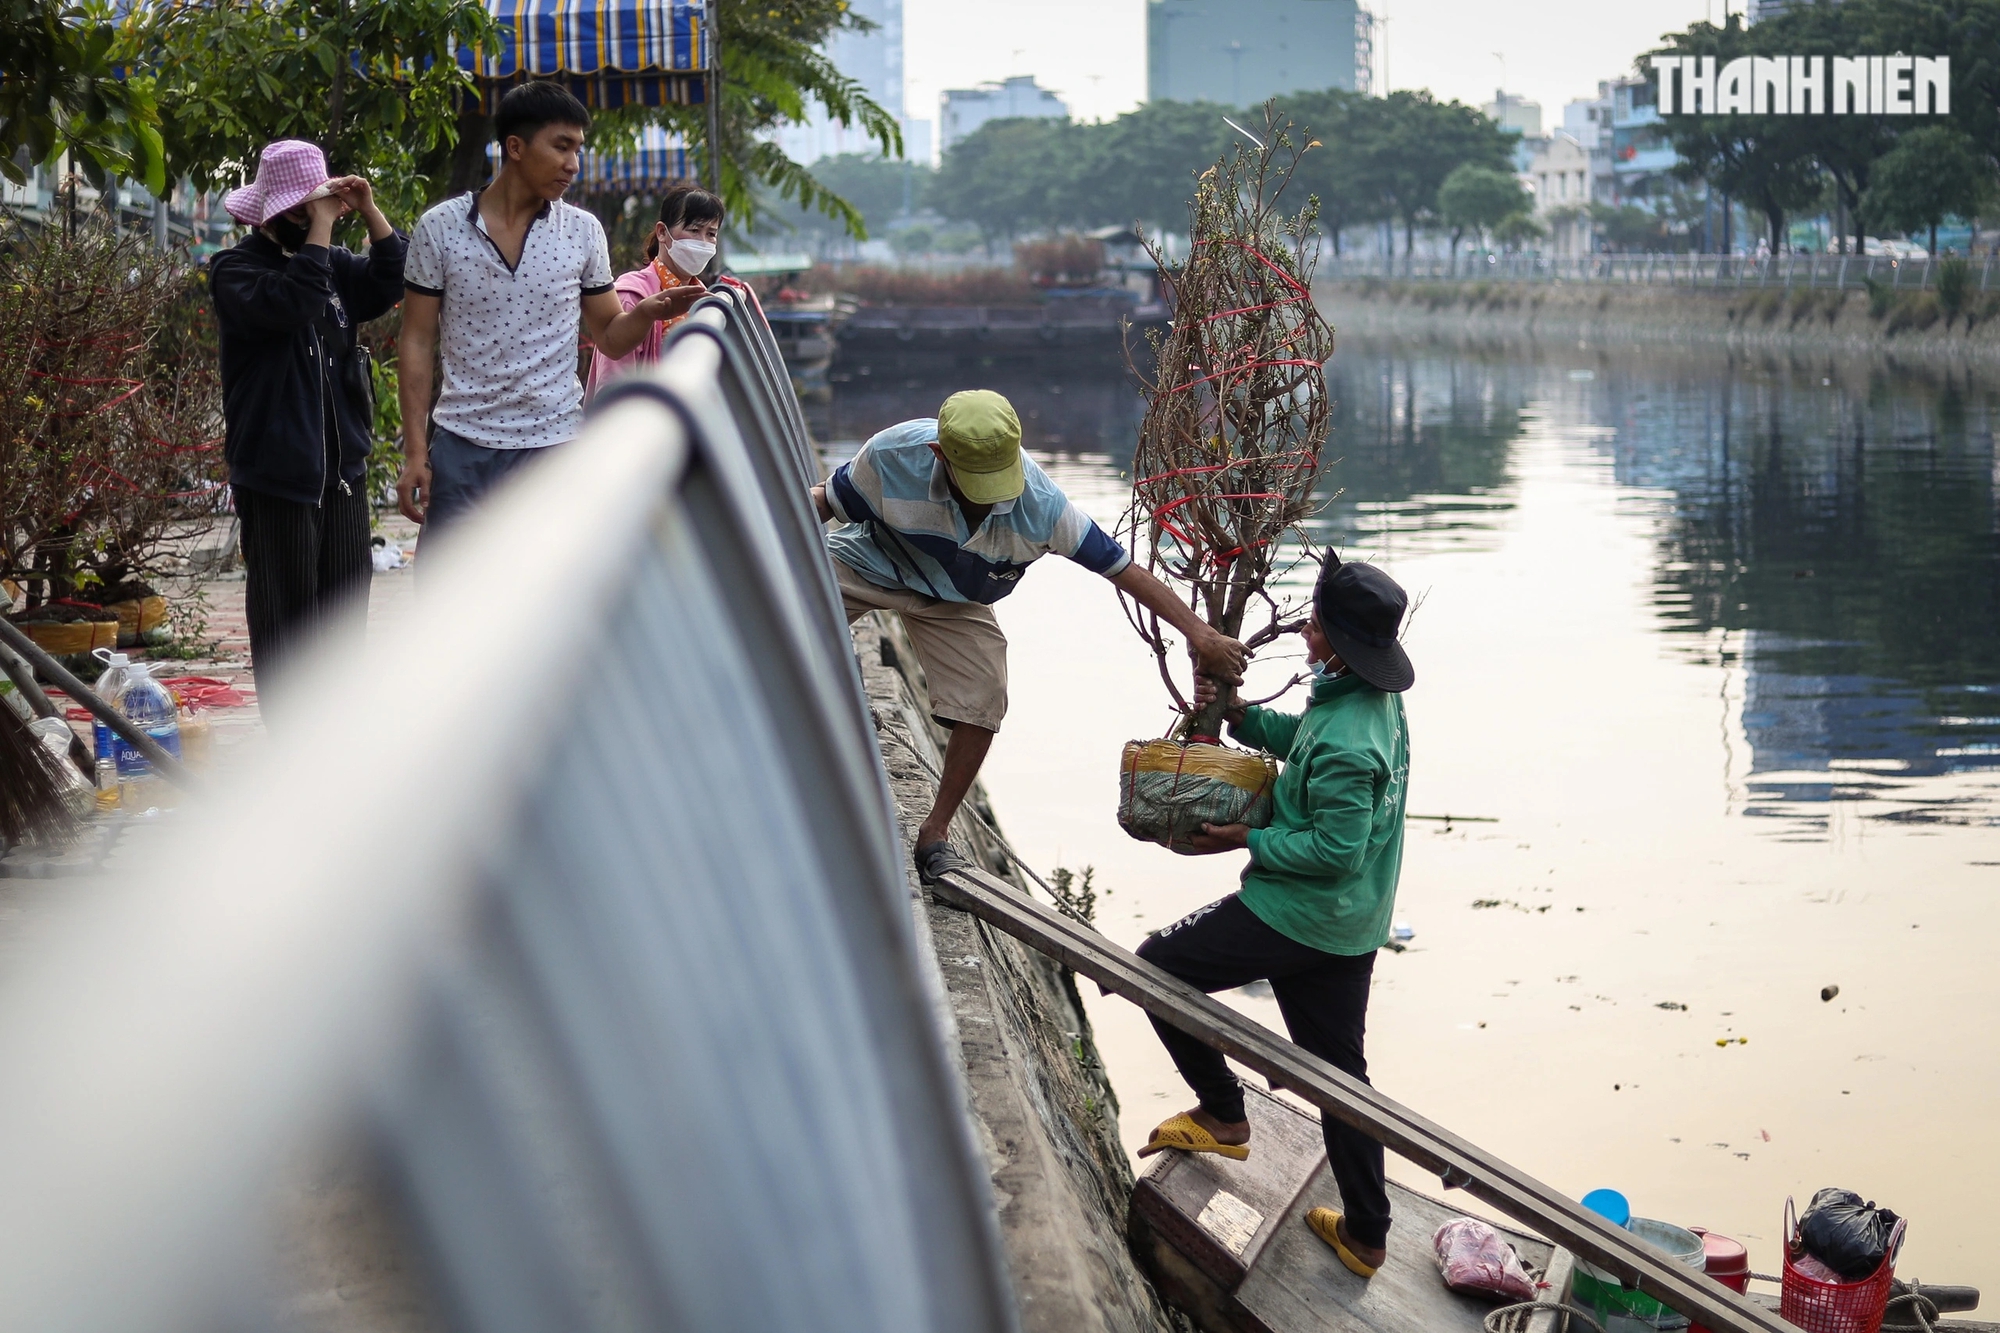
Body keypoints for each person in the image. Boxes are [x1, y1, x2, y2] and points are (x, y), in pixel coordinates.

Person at [810, 390, 1250, 877]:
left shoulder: (1042, 505)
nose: (996, 495)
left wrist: (1202, 636)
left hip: (958, 599)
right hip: (868, 563)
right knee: (791, 613)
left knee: (984, 697)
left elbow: (1123, 569)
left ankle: (935, 832)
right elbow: (821, 504)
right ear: (940, 453)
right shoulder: (892, 456)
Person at [1133, 552, 1413, 1281]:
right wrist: (1245, 717)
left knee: (1154, 967)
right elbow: (1306, 744)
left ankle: (1224, 1111)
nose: (1306, 627)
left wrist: (1245, 837)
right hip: (1350, 924)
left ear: (1329, 632)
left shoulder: (1355, 739)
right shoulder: (1363, 696)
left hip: (1300, 912)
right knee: (1339, 1077)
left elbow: (1336, 847)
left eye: (1315, 620)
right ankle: (1366, 1234)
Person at [396, 82, 708, 532]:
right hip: (461, 448)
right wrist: (414, 454)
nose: (573, 165)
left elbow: (610, 336)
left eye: (578, 149)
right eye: (562, 147)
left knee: (545, 597)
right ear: (515, 147)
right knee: (452, 592)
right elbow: (418, 340)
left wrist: (646, 313)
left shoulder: (582, 231)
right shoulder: (440, 228)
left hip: (554, 446)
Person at [207, 140, 405, 702]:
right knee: (287, 625)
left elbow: (392, 278)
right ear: (271, 212)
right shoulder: (234, 270)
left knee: (342, 625)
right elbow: (294, 303)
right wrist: (320, 231)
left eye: (318, 208)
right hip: (277, 479)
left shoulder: (335, 266)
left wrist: (367, 209)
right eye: (301, 211)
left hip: (342, 476)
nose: (314, 220)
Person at [584, 183, 723, 397]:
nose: (703, 242)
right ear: (662, 233)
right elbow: (612, 390)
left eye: (711, 234)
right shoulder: (632, 297)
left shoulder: (702, 299)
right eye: (694, 230)